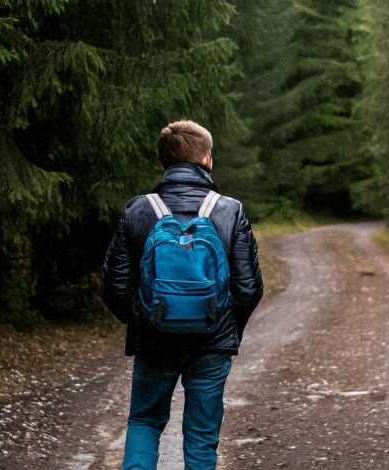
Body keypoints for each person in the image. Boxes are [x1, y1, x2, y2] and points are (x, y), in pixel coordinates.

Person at [101, 119, 264, 469]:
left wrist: (142, 319)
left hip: (154, 339)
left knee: (144, 421)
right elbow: (249, 288)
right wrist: (224, 329)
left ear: (165, 162)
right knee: (201, 437)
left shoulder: (139, 209)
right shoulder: (229, 210)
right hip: (211, 343)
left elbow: (114, 285)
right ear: (206, 159)